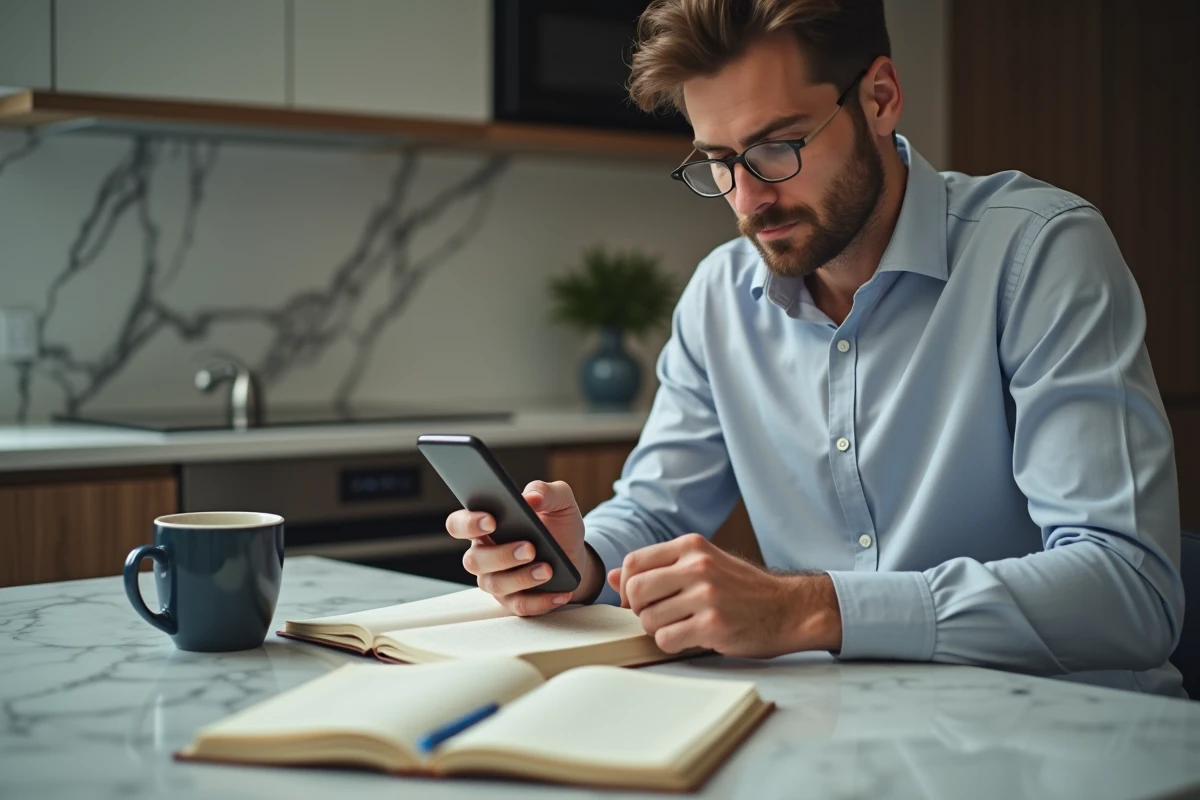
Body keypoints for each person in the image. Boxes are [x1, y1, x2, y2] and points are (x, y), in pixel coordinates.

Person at [444, 0, 1186, 696]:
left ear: (881, 97)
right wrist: (577, 559)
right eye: (718, 160)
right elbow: (654, 508)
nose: (747, 198)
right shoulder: (718, 297)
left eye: (776, 147)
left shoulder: (1039, 252)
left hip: (1071, 738)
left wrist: (811, 609)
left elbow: (1130, 591)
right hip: (844, 728)